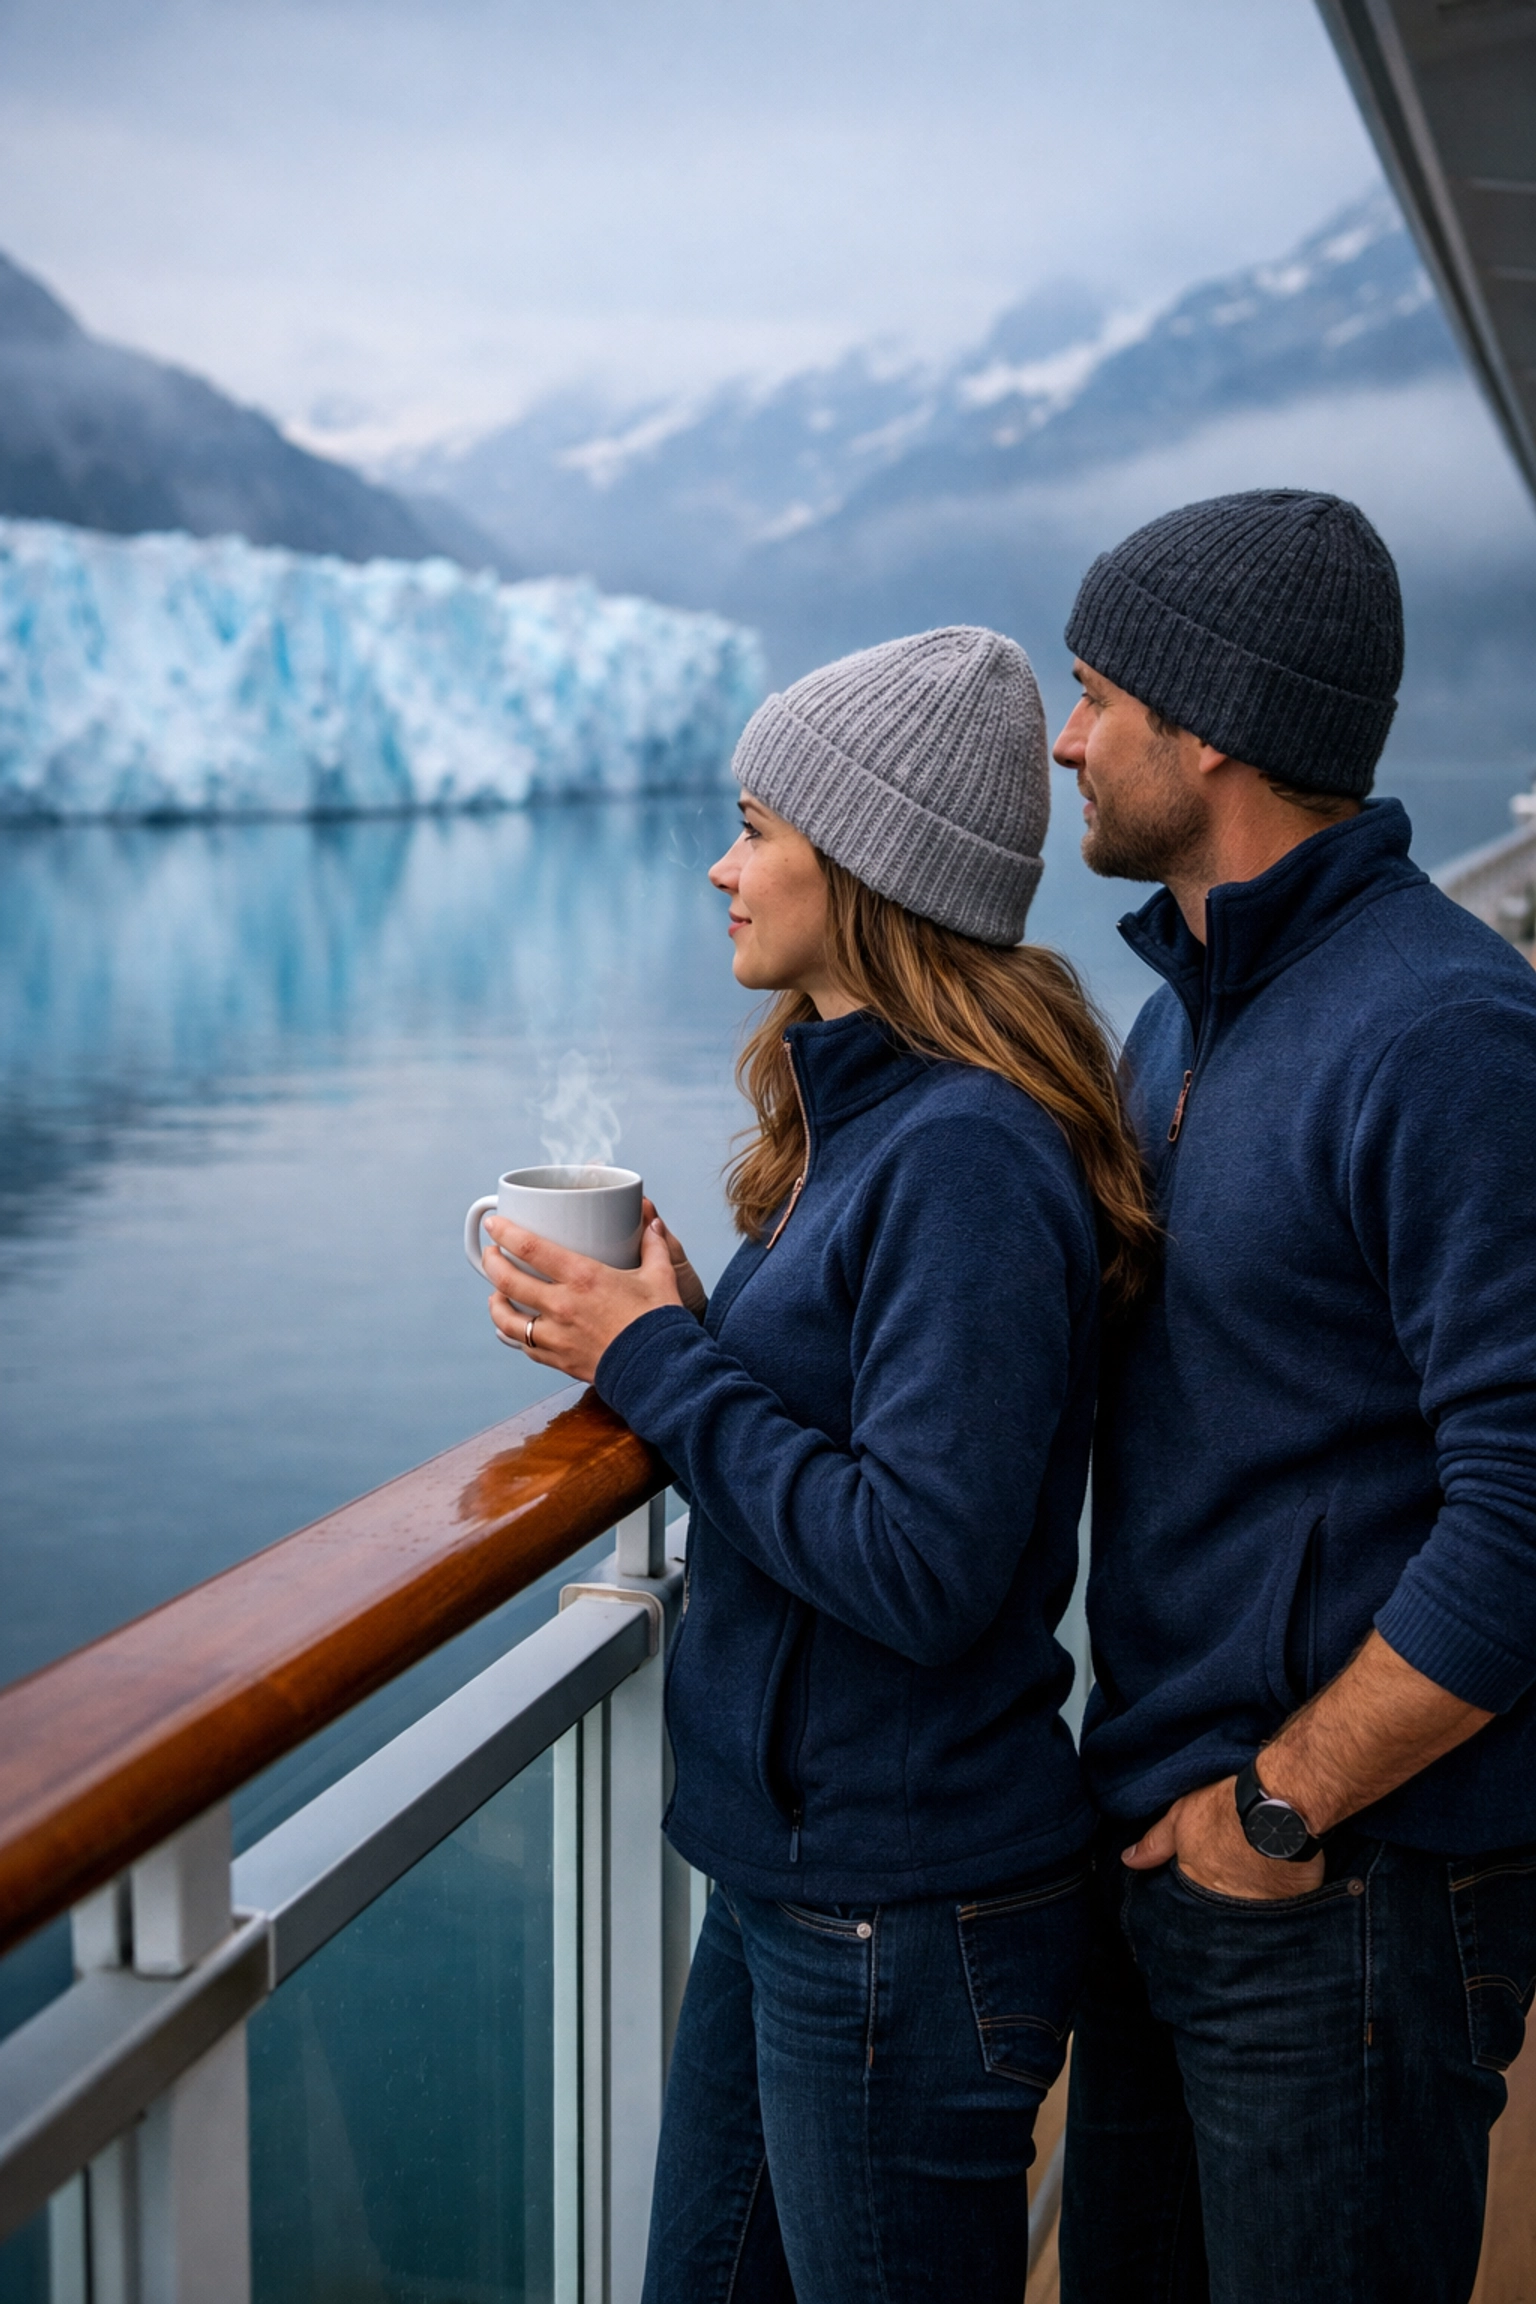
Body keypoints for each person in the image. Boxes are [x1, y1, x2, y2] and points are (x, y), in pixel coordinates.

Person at [478, 626, 1156, 2304]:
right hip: (809, 1882)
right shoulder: (873, 1119)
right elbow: (858, 1418)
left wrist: (653, 1365)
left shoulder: (967, 1155)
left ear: (865, 870)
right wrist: (688, 1333)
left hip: (906, 1918)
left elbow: (922, 1567)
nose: (722, 865)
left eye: (760, 828)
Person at [1050, 489, 1536, 2304]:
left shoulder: (1445, 1036)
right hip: (1179, 1860)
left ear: (1212, 727)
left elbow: (1527, 1500)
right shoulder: (1190, 1012)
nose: (1065, 736)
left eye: (1098, 692)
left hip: (1344, 1895)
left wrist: (1278, 1813)